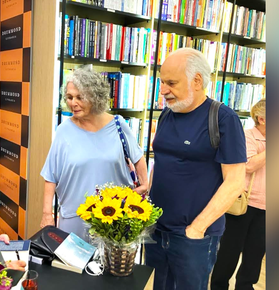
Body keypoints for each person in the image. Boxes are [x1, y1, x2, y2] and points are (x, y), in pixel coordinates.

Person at [144, 48, 247, 290]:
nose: (163, 90)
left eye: (171, 83)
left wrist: (197, 228)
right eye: (161, 82)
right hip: (156, 229)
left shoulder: (223, 119)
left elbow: (234, 182)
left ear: (197, 81)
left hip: (193, 237)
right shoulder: (166, 115)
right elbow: (162, 162)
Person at [40, 67, 149, 241]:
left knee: (111, 265)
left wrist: (144, 184)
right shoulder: (63, 131)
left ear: (95, 97)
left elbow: (138, 157)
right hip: (74, 217)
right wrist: (47, 214)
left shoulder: (119, 125)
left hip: (115, 216)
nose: (72, 103)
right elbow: (50, 176)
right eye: (69, 97)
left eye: (79, 97)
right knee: (72, 267)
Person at [211, 99, 266, 290]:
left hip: (268, 207)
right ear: (262, 119)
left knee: (255, 254)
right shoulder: (248, 136)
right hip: (244, 204)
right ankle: (218, 286)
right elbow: (248, 165)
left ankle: (245, 286)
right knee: (229, 252)